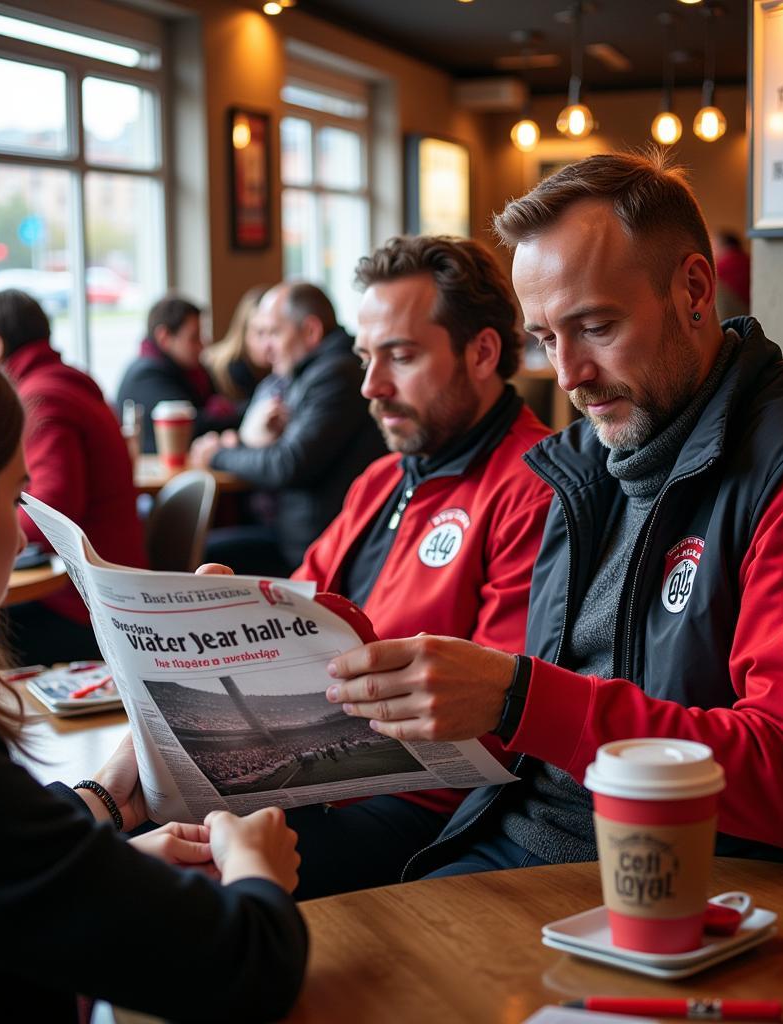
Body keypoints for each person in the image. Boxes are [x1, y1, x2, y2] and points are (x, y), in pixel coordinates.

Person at [320, 151, 783, 892]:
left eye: (594, 326)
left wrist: (518, 696)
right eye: (545, 338)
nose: (568, 374)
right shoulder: (585, 465)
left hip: (700, 887)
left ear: (694, 289)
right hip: (524, 843)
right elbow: (546, 716)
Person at [0, 322, 306, 1022]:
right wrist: (254, 863)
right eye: (17, 497)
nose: (21, 534)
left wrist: (105, 802)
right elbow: (249, 963)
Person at [209, 237, 554, 898]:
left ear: (483, 352)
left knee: (201, 880)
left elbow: (500, 717)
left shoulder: (532, 485)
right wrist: (233, 615)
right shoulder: (380, 479)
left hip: (429, 808)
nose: (372, 386)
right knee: (150, 842)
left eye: (401, 355)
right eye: (367, 358)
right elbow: (300, 603)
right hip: (319, 766)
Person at [0, 289, 145, 665]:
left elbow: (54, 510)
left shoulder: (40, 399)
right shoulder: (68, 382)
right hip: (112, 595)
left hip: (86, 611)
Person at [190, 282, 385, 576]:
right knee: (198, 550)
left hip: (312, 551)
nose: (265, 348)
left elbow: (288, 463)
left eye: (274, 333)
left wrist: (218, 455)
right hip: (294, 538)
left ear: (310, 331)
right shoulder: (311, 373)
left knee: (197, 555)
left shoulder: (336, 375)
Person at [116, 294, 240, 454]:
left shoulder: (193, 372)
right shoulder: (146, 376)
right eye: (194, 337)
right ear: (164, 337)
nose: (202, 344)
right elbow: (193, 427)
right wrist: (248, 412)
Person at [201, 284, 272, 405]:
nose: (268, 343)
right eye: (260, 333)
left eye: (275, 332)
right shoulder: (219, 370)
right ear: (243, 331)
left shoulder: (281, 371)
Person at [713, 229, 750, 319]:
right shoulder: (749, 261)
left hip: (730, 319)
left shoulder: (721, 267)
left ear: (722, 246)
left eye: (714, 246)